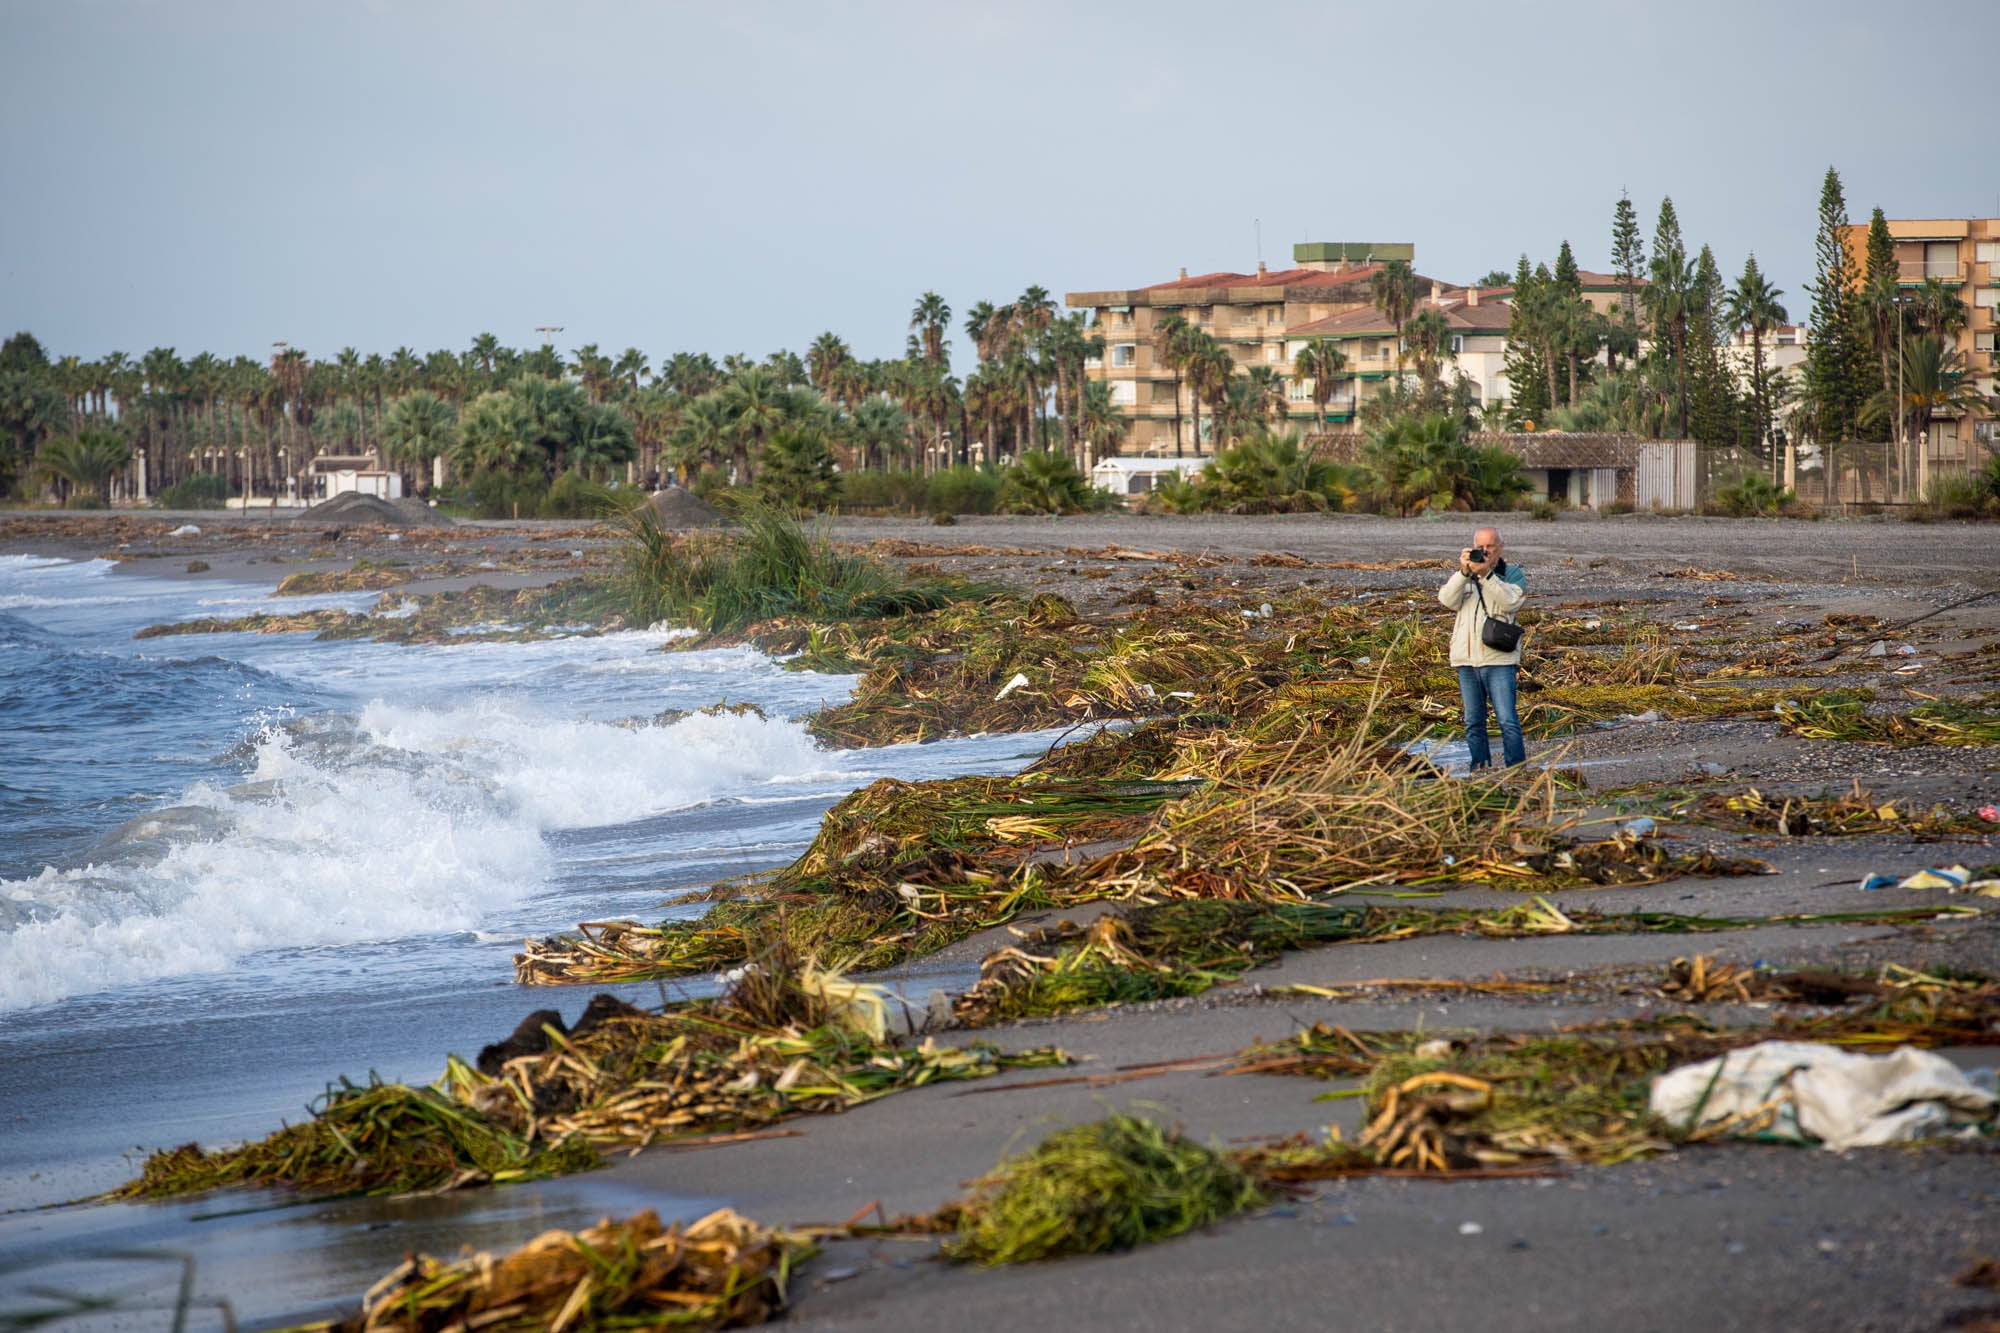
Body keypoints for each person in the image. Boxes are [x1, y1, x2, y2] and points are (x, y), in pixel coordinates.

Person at [1437, 526, 1527, 769]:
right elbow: (1447, 600)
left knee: (1507, 720)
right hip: (1466, 660)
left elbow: (1510, 602)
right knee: (1473, 721)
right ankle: (1479, 767)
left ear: (1501, 547)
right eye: (1480, 547)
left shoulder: (1512, 574)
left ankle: (1516, 769)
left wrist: (1487, 576)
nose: (1484, 552)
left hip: (1499, 659)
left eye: (1489, 547)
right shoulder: (1465, 575)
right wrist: (1464, 572)